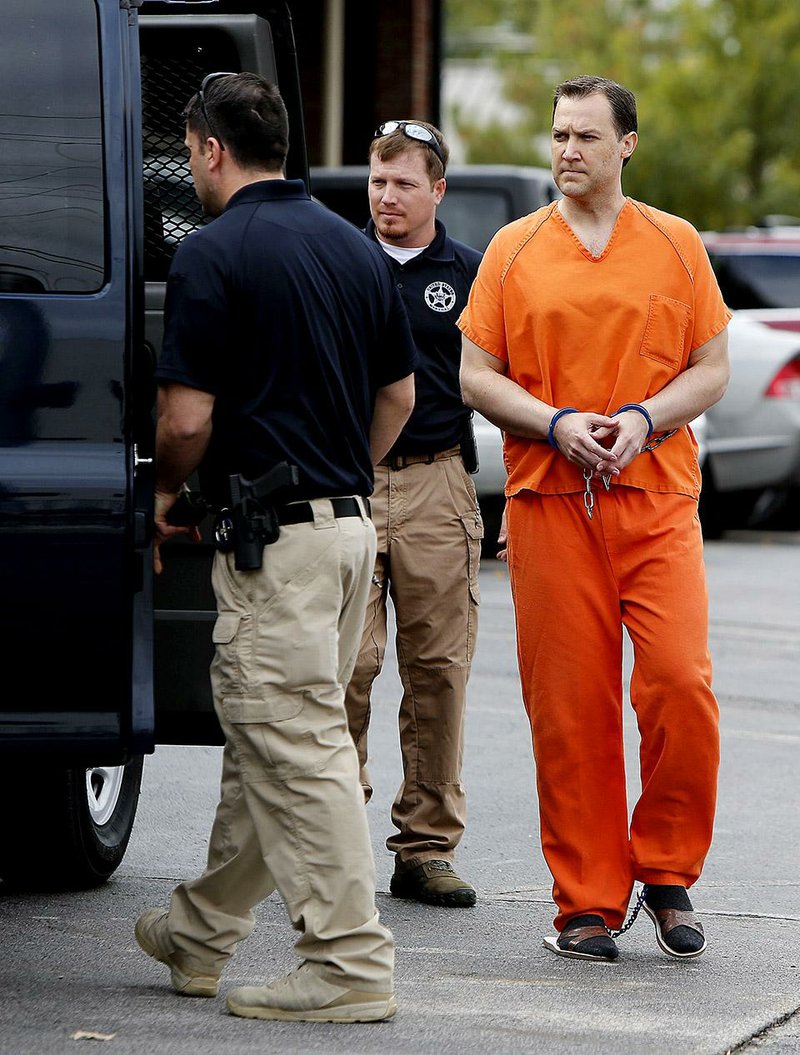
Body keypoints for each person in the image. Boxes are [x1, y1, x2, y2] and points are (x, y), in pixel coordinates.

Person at [134, 73, 417, 1023]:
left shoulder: (212, 252)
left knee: (297, 747)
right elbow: (399, 399)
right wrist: (335, 479)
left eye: (190, 155)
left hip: (276, 547)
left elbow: (184, 420)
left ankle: (347, 963)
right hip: (347, 537)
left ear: (211, 151)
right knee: (271, 741)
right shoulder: (357, 248)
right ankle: (201, 932)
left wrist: (166, 492)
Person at [458, 76, 730, 962]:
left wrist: (647, 417)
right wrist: (557, 422)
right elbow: (476, 373)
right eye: (558, 134)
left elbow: (710, 364)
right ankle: (585, 900)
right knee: (570, 709)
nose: (566, 150)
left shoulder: (676, 244)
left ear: (627, 145)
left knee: (680, 685)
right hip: (550, 500)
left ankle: (667, 871)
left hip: (655, 498)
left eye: (584, 136)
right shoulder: (513, 248)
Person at [343, 120, 483, 908]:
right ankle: (339, 840)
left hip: (437, 483)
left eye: (403, 183)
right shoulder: (340, 261)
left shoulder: (471, 271)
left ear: (437, 190)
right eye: (377, 182)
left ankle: (425, 849)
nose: (387, 197)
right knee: (348, 664)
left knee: (437, 673)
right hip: (352, 478)